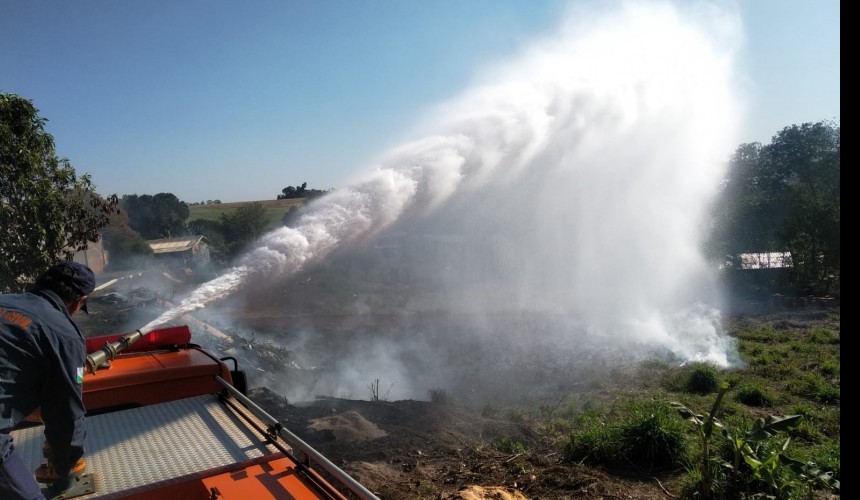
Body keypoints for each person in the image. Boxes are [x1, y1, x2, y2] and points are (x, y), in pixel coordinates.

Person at [0, 261, 93, 499]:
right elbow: (68, 414)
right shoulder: (64, 335)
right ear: (78, 301)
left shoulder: (4, 301)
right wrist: (63, 468)